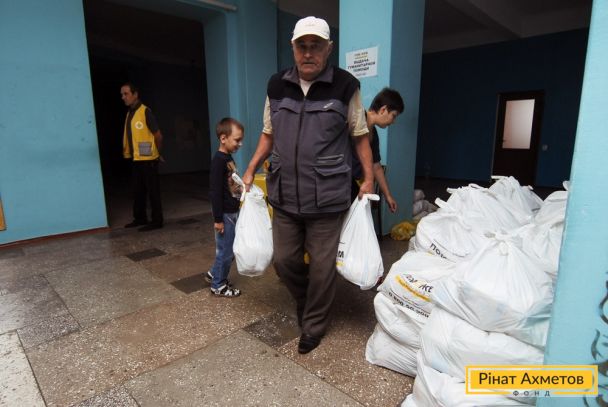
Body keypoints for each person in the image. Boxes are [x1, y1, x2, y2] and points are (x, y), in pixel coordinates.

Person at [242, 16, 374, 354]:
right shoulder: (276, 85)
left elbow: (360, 135)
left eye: (316, 46)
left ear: (329, 49)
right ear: (293, 48)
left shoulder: (346, 86)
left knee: (322, 267)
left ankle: (314, 325)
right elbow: (268, 133)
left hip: (328, 197)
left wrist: (369, 178)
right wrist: (250, 168)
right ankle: (305, 300)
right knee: (284, 262)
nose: (308, 52)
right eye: (302, 45)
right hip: (285, 193)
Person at [207, 117, 245, 297]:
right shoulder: (218, 161)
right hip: (225, 215)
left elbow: (231, 183)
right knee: (226, 251)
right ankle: (218, 285)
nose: (240, 144)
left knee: (228, 249)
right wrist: (218, 220)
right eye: (237, 140)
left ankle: (214, 274)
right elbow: (215, 192)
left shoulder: (227, 158)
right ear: (223, 138)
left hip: (232, 211)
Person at [351, 87, 404, 212]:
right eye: (393, 116)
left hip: (357, 187)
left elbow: (376, 166)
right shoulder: (355, 121)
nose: (393, 122)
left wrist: (388, 196)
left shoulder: (373, 134)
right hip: (341, 186)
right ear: (383, 110)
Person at [121, 83, 164, 231]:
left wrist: (157, 153)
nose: (123, 97)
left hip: (148, 160)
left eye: (126, 94)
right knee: (138, 191)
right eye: (122, 94)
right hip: (136, 159)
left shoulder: (145, 111)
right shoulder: (130, 113)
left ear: (135, 94)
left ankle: (157, 221)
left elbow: (158, 136)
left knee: (153, 191)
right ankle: (140, 218)